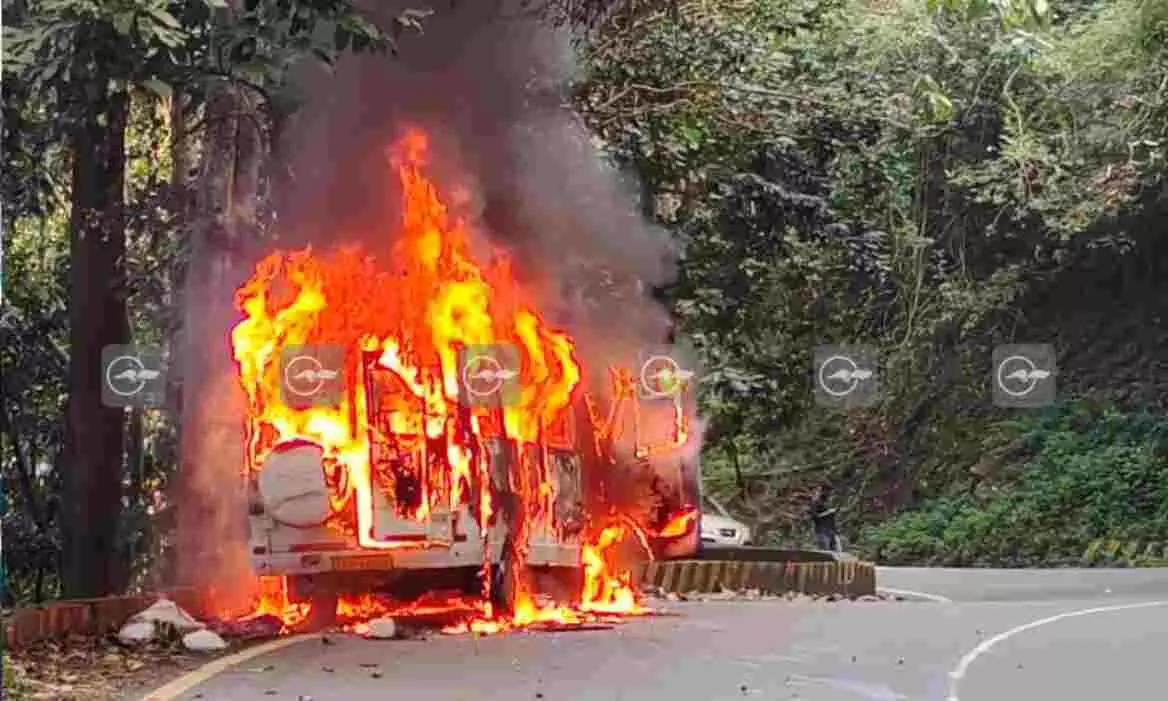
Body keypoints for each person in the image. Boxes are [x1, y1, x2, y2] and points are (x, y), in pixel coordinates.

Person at [809, 485, 841, 551]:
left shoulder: (830, 502)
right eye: (828, 491)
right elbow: (814, 517)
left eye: (831, 491)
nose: (830, 493)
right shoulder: (816, 502)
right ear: (823, 491)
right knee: (825, 552)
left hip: (832, 530)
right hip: (822, 531)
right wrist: (828, 512)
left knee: (838, 551)